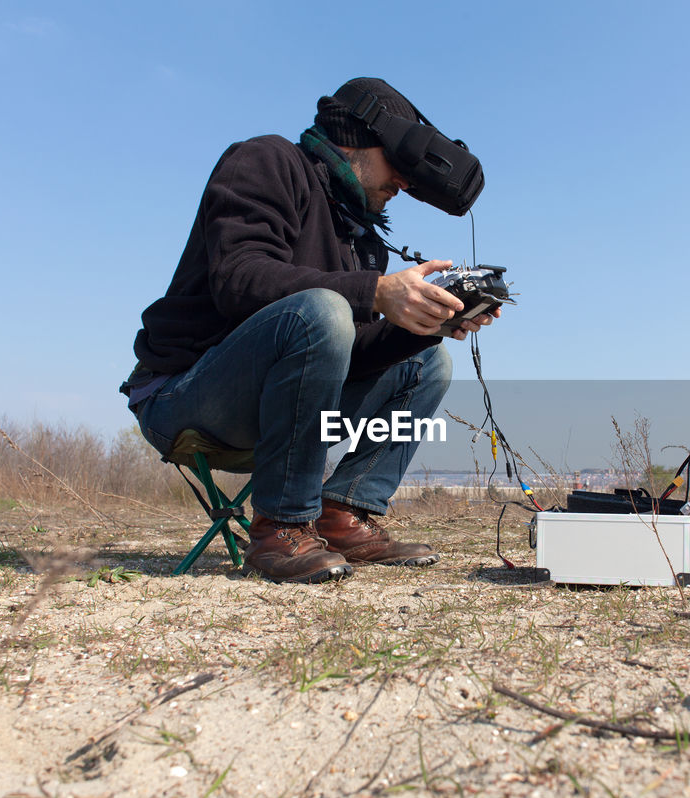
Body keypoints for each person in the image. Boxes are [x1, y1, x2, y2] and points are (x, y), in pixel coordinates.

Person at [120, 78, 498, 584]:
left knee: (428, 362)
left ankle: (342, 514)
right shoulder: (266, 161)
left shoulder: (361, 237)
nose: (403, 184)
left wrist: (427, 324)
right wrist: (376, 292)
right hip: (186, 394)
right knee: (322, 310)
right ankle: (282, 526)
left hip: (285, 411)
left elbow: (345, 353)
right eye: (397, 166)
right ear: (358, 141)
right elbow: (239, 278)